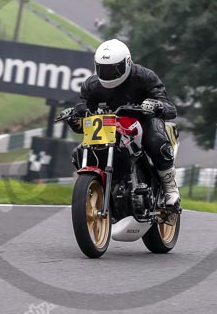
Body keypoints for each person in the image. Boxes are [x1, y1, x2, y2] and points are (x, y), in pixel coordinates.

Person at [59, 39, 180, 206]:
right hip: (110, 127)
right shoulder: (91, 86)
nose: (108, 74)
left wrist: (156, 106)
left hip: (143, 122)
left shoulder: (145, 77)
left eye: (113, 69)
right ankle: (100, 189)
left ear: (127, 63)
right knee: (78, 152)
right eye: (104, 69)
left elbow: (170, 109)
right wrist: (75, 120)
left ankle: (169, 187)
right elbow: (87, 120)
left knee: (156, 140)